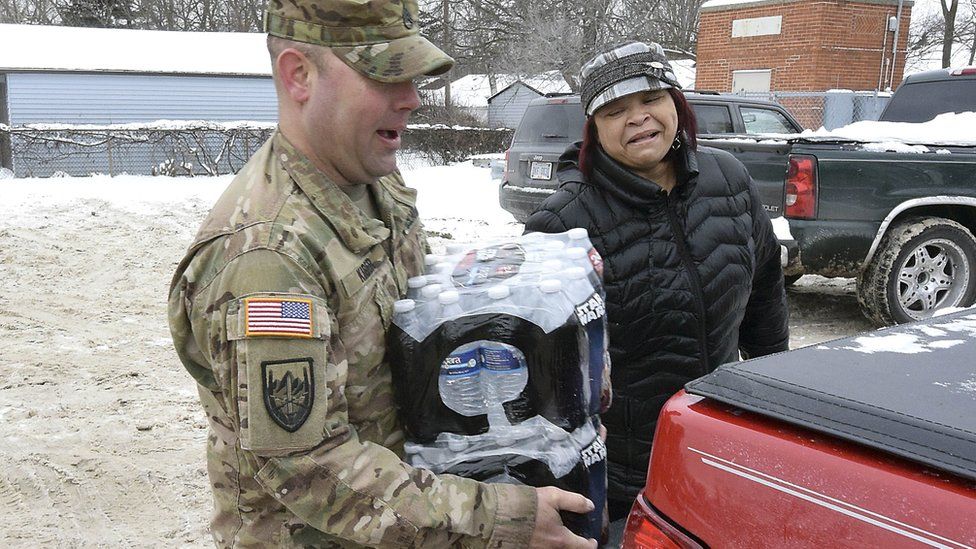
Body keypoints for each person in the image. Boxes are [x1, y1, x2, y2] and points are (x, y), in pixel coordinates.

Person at [168, 1, 598, 547]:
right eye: (384, 75)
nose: (412, 98)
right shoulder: (267, 259)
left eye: (413, 76)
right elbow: (309, 469)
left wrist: (553, 361)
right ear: (298, 75)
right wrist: (497, 519)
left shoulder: (372, 186)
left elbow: (426, 318)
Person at [524, 41, 790, 525]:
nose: (638, 118)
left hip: (722, 448)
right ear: (594, 129)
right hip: (628, 479)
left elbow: (766, 288)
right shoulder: (563, 224)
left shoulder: (727, 178)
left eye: (650, 100)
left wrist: (773, 398)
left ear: (676, 104)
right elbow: (544, 374)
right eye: (615, 110)